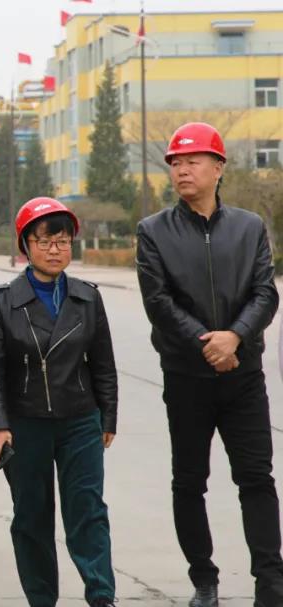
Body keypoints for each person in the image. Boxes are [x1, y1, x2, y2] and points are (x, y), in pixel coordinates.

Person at [136, 122, 283, 607]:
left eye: (193, 161)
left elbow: (265, 293)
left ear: (218, 168)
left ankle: (271, 584)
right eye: (175, 163)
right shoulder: (153, 231)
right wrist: (208, 344)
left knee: (257, 479)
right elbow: (158, 302)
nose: (182, 170)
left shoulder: (249, 227)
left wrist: (235, 336)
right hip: (187, 379)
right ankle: (205, 580)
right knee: (189, 482)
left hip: (244, 378)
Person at [0, 198, 118, 607]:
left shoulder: (87, 298)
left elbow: (103, 364)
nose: (55, 249)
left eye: (62, 241)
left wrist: (107, 417)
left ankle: (102, 595)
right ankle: (41, 598)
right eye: (44, 241)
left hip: (80, 421)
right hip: (25, 424)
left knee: (87, 510)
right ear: (25, 245)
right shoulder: (3, 302)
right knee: (31, 516)